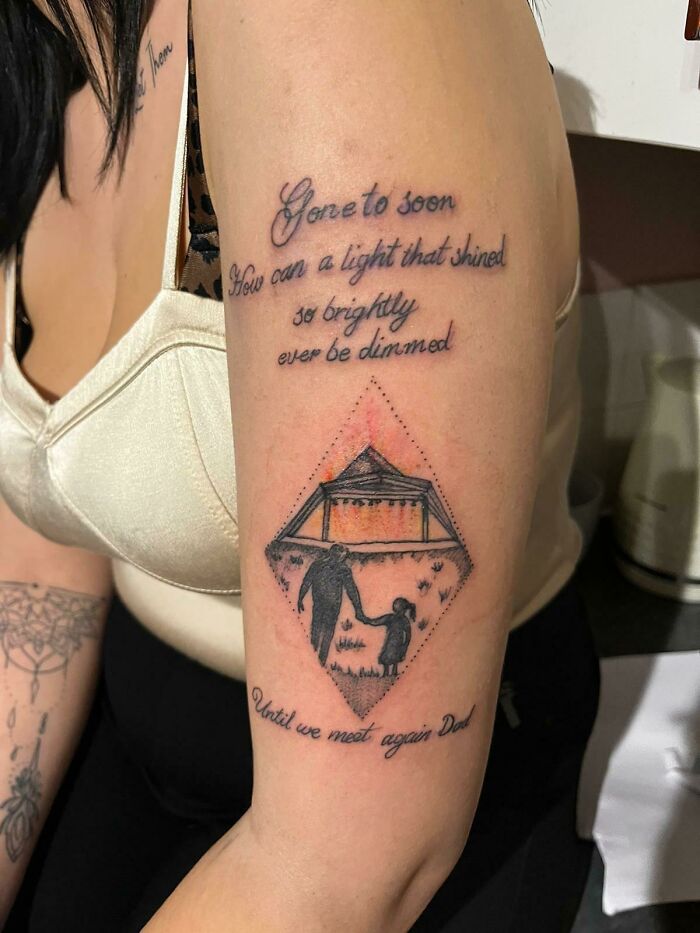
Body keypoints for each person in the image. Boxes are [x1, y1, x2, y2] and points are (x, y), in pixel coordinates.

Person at [0, 1, 599, 931]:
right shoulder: (49, 47)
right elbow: (46, 534)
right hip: (140, 713)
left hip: (410, 800)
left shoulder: (341, 24)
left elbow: (351, 854)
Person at [297, 544, 365, 666]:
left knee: (322, 631)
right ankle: (317, 661)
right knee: (320, 631)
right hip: (325, 605)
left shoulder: (331, 567)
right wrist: (300, 598)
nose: (342, 560)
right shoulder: (326, 567)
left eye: (343, 558)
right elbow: (306, 582)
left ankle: (319, 661)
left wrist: (358, 609)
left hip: (327, 606)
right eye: (341, 557)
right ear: (335, 555)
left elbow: (352, 591)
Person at [361, 597, 416, 677]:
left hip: (395, 643)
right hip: (392, 643)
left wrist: (366, 620)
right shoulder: (396, 618)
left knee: (393, 658)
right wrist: (367, 620)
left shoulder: (398, 619)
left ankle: (392, 673)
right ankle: (387, 673)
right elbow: (377, 621)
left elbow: (408, 635)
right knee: (389, 657)